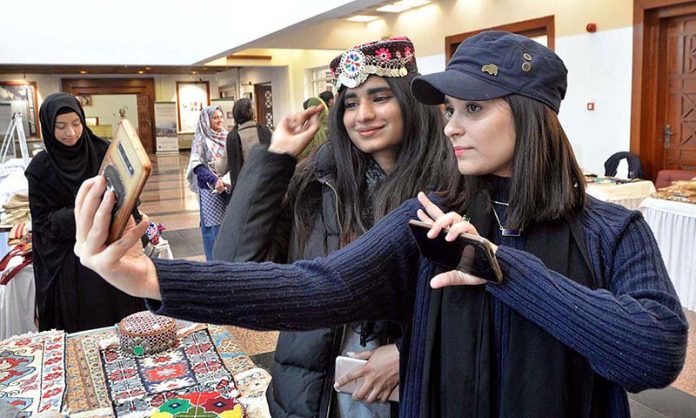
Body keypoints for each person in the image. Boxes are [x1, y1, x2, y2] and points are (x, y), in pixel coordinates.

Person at [74, 31, 687, 417]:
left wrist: (506, 272)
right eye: (449, 110)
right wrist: (153, 278)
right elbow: (318, 286)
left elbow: (651, 355)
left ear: (531, 118)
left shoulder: (611, 231)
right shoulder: (429, 216)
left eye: (472, 109)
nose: (450, 126)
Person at [213, 37, 456, 418]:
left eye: (379, 97)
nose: (363, 115)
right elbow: (234, 265)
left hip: (419, 390)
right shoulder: (318, 183)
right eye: (351, 103)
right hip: (313, 391)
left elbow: (478, 307)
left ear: (409, 101)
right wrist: (276, 159)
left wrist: (408, 353)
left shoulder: (453, 186)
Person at [25, 92, 143, 333]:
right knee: (85, 322)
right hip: (71, 260)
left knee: (123, 319)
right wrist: (90, 211)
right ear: (48, 127)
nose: (71, 133)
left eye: (76, 123)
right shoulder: (40, 169)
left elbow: (130, 194)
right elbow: (44, 222)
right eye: (61, 126)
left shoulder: (102, 151)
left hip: (110, 250)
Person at [185, 106, 230, 261]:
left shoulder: (227, 136)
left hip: (228, 188)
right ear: (206, 120)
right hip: (210, 190)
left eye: (220, 116)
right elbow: (197, 166)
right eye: (215, 117)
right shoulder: (201, 139)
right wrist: (214, 179)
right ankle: (214, 263)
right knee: (213, 229)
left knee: (228, 226)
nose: (219, 120)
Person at [224, 98, 272, 191]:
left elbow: (221, 169)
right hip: (267, 186)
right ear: (253, 113)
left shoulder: (232, 138)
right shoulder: (267, 132)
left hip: (243, 190)